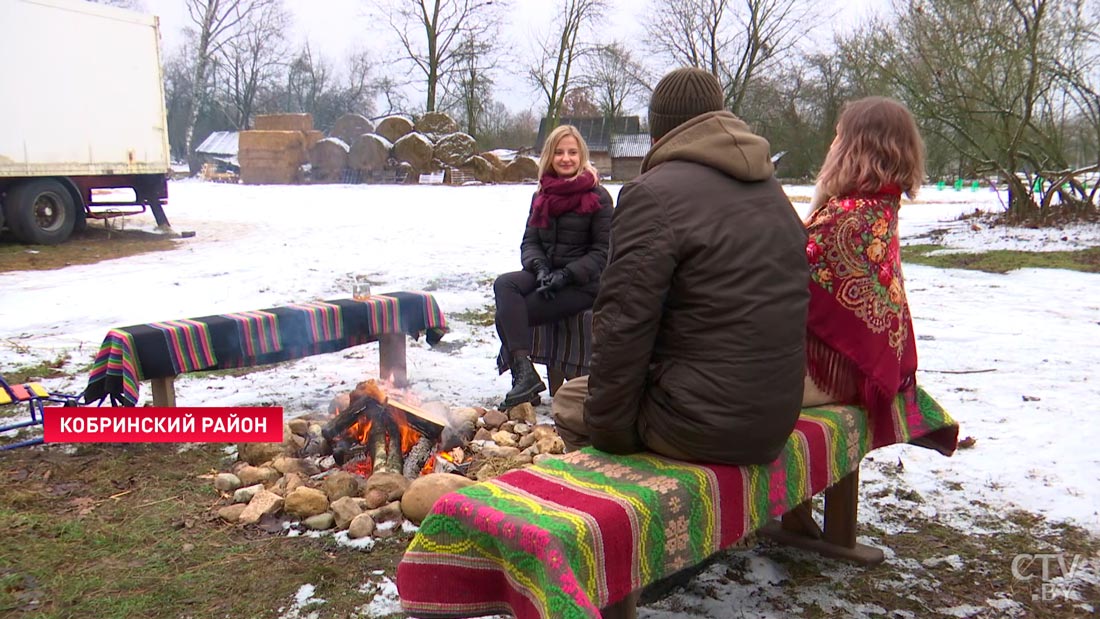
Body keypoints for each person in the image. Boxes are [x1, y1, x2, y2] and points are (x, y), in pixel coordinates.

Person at [552, 67, 809, 465]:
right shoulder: (771, 190)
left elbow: (621, 324)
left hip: (702, 424)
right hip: (775, 416)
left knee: (570, 401)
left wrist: (612, 437)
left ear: (659, 134)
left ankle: (631, 513)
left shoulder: (652, 194)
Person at [801, 97, 926, 424]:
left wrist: (818, 198)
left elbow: (781, 276)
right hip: (867, 368)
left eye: (838, 136)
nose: (831, 144)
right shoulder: (881, 206)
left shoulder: (845, 219)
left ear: (854, 147)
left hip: (835, 377)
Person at [493, 125, 613, 410]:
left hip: (583, 284)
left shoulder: (599, 197)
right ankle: (527, 375)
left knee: (509, 316)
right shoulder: (541, 195)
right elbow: (530, 241)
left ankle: (524, 382)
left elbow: (603, 252)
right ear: (549, 156)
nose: (566, 158)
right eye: (559, 152)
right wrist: (541, 268)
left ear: (582, 156)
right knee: (504, 285)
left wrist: (566, 274)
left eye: (572, 152)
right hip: (546, 275)